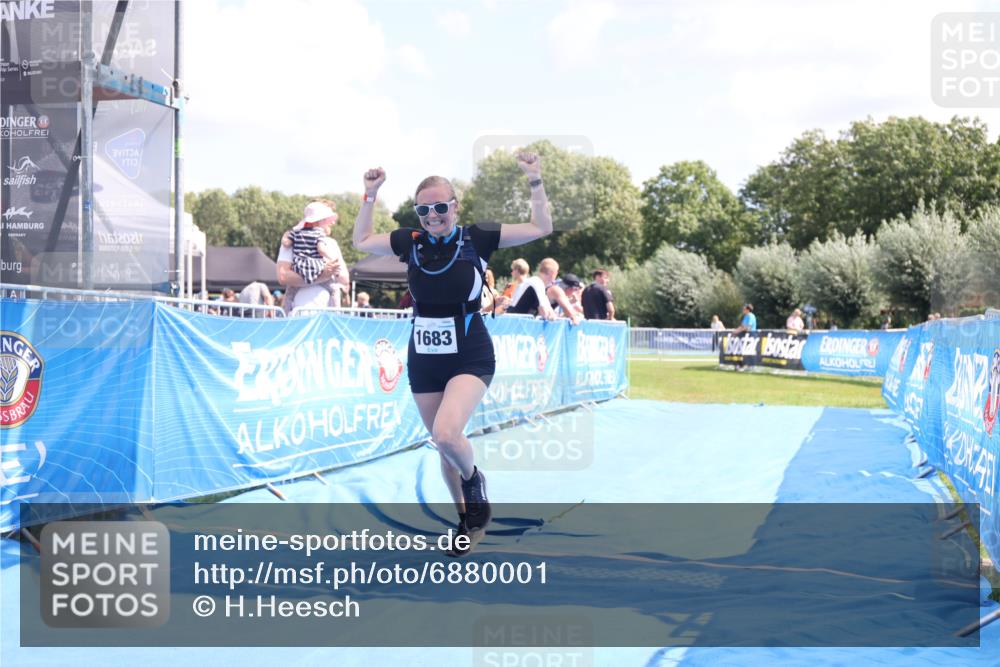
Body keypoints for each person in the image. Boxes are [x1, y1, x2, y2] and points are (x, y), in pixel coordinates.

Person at [352, 152, 552, 556]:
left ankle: (475, 481)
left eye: (441, 207)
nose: (433, 215)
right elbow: (360, 241)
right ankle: (468, 522)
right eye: (424, 209)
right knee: (443, 444)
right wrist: (370, 195)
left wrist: (534, 180)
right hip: (424, 355)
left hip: (469, 353)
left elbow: (540, 226)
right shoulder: (409, 241)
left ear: (455, 207)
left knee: (446, 433)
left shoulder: (476, 237)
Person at [276, 200, 350, 313]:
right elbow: (283, 276)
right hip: (301, 317)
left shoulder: (332, 243)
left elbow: (344, 279)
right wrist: (323, 275)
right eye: (328, 218)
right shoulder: (294, 239)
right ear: (318, 220)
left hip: (326, 318)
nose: (332, 223)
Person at [507, 257, 582, 325]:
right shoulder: (537, 282)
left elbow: (547, 308)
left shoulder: (537, 284)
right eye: (557, 272)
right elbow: (544, 311)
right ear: (553, 273)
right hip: (513, 323)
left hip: (514, 322)